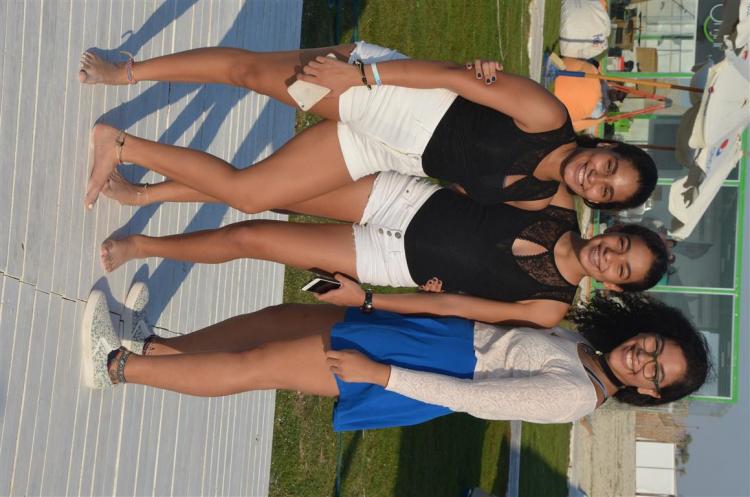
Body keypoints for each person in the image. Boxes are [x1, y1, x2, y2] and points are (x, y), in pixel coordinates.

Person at [79, 41, 657, 213]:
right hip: (395, 99)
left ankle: (121, 145)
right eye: (609, 166)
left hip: (388, 154)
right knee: (250, 72)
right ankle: (128, 72)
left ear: (596, 202)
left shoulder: (535, 197)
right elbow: (453, 75)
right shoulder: (549, 118)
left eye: (606, 191)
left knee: (251, 195)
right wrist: (360, 74)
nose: (595, 178)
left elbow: (458, 183)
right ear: (606, 145)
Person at [81, 285, 710, 431]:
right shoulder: (582, 350)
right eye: (656, 346)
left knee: (261, 364)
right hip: (432, 338)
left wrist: (380, 374)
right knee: (277, 321)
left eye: (656, 373)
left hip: (426, 371)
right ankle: (152, 346)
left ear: (649, 393)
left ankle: (117, 366)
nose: (644, 358)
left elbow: (470, 399)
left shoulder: (575, 395)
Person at [98, 171, 669, 327]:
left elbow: (457, 307)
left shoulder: (549, 308)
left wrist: (371, 299)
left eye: (622, 269)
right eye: (621, 244)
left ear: (613, 285)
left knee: (250, 238)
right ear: (614, 229)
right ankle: (144, 192)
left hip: (390, 261)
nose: (610, 256)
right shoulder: (561, 200)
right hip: (402, 200)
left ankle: (143, 245)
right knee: (261, 188)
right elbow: (484, 172)